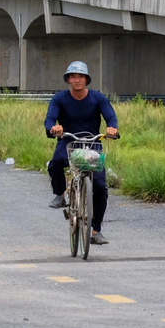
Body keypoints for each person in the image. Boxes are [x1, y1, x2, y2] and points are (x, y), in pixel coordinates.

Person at [44, 61, 118, 245]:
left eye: (81, 77)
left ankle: (96, 231)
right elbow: (50, 117)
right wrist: (53, 128)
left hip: (92, 143)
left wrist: (112, 128)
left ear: (86, 79)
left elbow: (110, 115)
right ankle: (60, 194)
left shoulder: (97, 98)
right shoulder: (60, 98)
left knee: (100, 187)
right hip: (68, 141)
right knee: (56, 162)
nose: (77, 80)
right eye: (73, 77)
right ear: (68, 79)